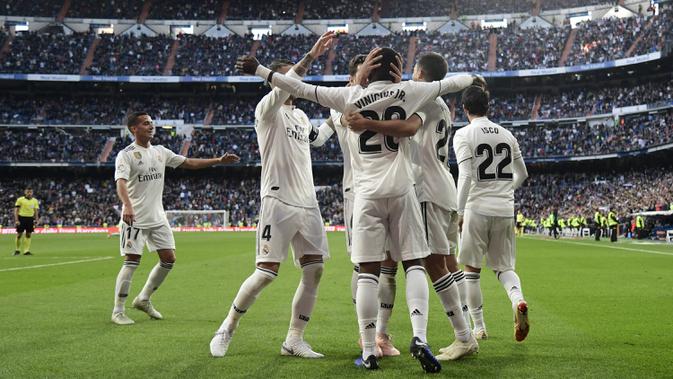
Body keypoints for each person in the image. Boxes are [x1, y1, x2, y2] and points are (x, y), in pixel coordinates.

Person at [237, 46, 483, 371]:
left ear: (367, 69)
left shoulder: (348, 97)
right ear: (398, 69)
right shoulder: (413, 93)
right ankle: (417, 335)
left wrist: (260, 70)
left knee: (369, 271)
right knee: (414, 265)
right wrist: (476, 80)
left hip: (367, 193)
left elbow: (300, 89)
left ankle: (371, 347)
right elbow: (450, 85)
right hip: (406, 190)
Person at [210, 32, 335, 359]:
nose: (295, 79)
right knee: (266, 272)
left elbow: (318, 140)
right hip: (278, 201)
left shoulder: (301, 115)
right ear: (276, 81)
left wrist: (338, 118)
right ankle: (228, 326)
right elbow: (286, 83)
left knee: (314, 270)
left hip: (308, 203)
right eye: (288, 74)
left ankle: (294, 339)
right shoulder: (267, 110)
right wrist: (311, 55)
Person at [346, 51, 477, 360]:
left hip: (426, 190)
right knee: (398, 263)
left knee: (431, 264)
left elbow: (405, 127)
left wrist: (364, 116)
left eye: (413, 71)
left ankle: (464, 335)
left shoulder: (423, 100)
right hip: (438, 188)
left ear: (420, 73)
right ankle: (382, 335)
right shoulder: (436, 101)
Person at [309, 54, 401, 357]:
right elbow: (316, 139)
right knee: (370, 265)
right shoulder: (357, 108)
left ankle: (380, 336)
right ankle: (370, 333)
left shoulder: (341, 109)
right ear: (357, 75)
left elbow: (316, 140)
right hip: (361, 192)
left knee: (384, 266)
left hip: (367, 191)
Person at [111, 112, 240, 326]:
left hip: (157, 217)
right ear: (134, 128)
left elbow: (188, 162)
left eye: (152, 123)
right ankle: (118, 310)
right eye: (145, 123)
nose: (151, 126)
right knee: (132, 261)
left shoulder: (161, 152)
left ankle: (143, 299)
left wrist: (218, 160)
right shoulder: (126, 155)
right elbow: (121, 183)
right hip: (135, 217)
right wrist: (127, 205)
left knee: (169, 259)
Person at [453, 85, 530, 343]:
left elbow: (465, 176)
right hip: (505, 209)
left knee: (471, 271)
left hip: (477, 208)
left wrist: (458, 211)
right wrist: (505, 189)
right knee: (504, 267)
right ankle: (518, 300)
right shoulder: (508, 135)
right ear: (488, 107)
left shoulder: (463, 134)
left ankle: (479, 327)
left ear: (465, 109)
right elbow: (523, 174)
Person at [13, 188, 39, 256]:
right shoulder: (20, 199)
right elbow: (16, 210)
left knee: (28, 234)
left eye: (30, 192)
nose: (29, 193)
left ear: (32, 192)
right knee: (19, 235)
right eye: (28, 192)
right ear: (25, 192)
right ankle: (17, 250)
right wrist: (16, 220)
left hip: (30, 219)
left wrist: (36, 219)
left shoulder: (35, 201)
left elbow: (36, 211)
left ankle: (26, 251)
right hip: (21, 218)